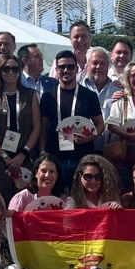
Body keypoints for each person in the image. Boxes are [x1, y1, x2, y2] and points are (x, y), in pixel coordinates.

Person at [39, 50, 103, 189]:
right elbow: (43, 127)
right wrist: (42, 152)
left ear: (77, 69)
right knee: (57, 198)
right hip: (56, 159)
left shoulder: (89, 96)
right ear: (56, 70)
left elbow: (100, 124)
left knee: (81, 200)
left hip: (83, 158)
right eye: (62, 67)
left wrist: (90, 137)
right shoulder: (48, 97)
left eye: (70, 66)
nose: (66, 70)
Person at [0, 54, 41, 201]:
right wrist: (5, 157)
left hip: (24, 155)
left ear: (20, 71)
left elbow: (37, 127)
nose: (10, 73)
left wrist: (23, 153)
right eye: (6, 69)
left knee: (23, 200)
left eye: (15, 69)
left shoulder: (30, 95)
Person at [9, 153, 74, 211]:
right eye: (43, 171)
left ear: (57, 175)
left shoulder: (65, 202)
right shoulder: (22, 198)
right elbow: (13, 222)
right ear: (36, 173)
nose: (47, 175)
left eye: (52, 171)